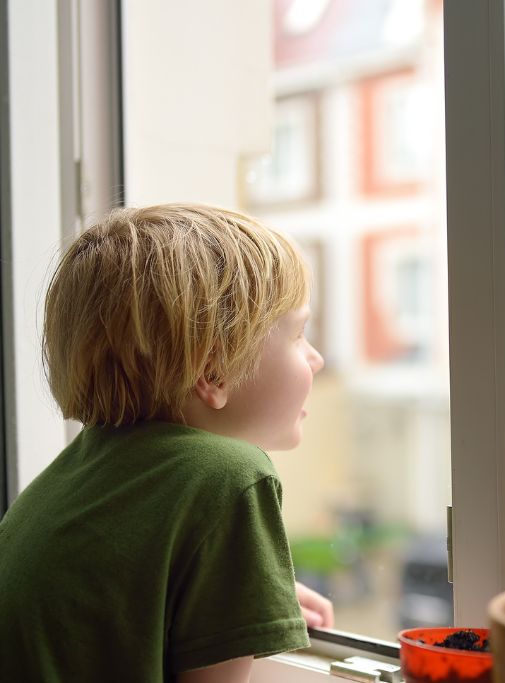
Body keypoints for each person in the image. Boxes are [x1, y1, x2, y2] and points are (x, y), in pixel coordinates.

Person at [0, 204, 335, 681]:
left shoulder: (85, 466)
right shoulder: (232, 473)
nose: (316, 358)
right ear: (213, 370)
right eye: (299, 335)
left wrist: (240, 595)